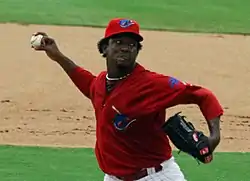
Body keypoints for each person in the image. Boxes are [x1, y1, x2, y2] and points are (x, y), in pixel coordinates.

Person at [32, 18, 223, 181]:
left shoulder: (152, 84)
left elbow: (203, 95)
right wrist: (57, 56)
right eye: (118, 42)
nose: (125, 48)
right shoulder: (100, 83)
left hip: (155, 176)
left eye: (131, 45)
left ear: (137, 51)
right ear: (105, 48)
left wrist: (214, 137)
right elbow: (87, 83)